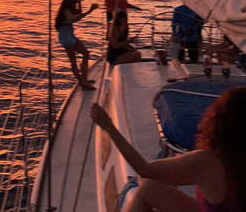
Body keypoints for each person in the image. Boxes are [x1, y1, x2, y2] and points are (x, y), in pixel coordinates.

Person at [91, 87, 246, 212]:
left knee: (146, 188)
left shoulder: (207, 162)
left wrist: (108, 126)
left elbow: (145, 170)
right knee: (151, 190)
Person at [55, 0, 99, 90]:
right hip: (66, 37)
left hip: (67, 35)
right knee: (82, 55)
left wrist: (79, 3)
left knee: (81, 56)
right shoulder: (66, 10)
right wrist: (90, 10)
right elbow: (74, 19)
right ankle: (83, 81)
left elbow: (78, 13)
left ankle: (83, 80)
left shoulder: (68, 8)